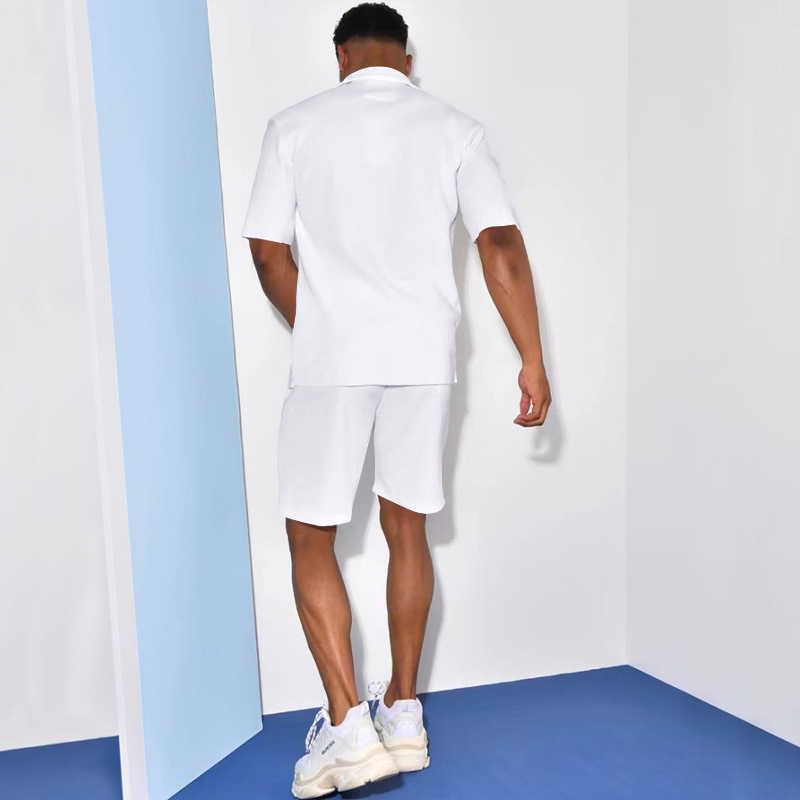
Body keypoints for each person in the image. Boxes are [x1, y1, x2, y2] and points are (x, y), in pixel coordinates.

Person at [242, 3, 551, 797]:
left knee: (310, 532)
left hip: (335, 358)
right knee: (406, 525)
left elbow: (268, 252)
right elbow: (499, 243)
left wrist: (325, 331)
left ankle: (349, 729)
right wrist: (532, 357)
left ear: (340, 56)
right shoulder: (455, 128)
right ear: (407, 58)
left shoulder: (294, 126)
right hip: (424, 356)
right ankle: (404, 716)